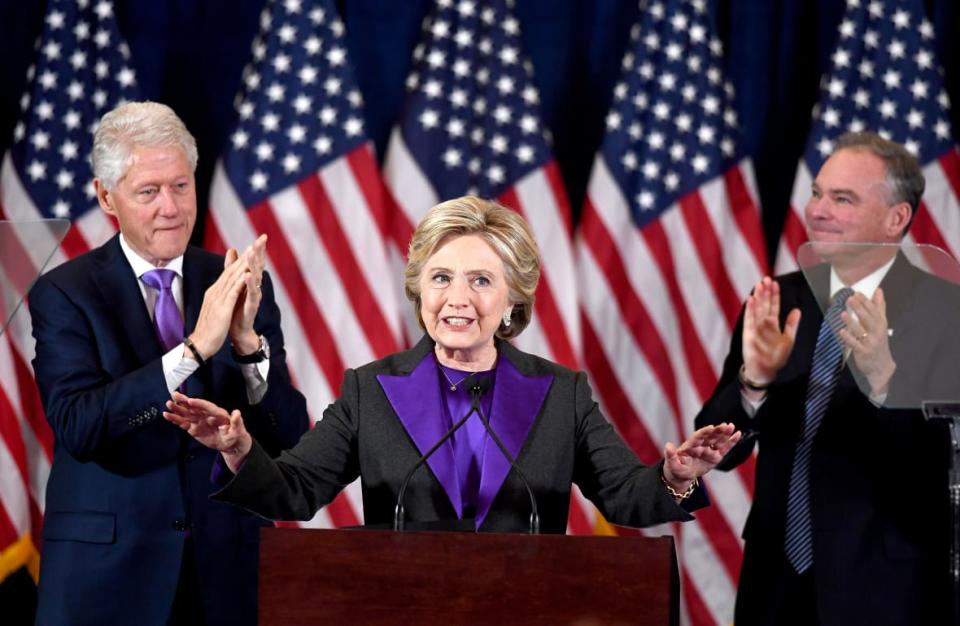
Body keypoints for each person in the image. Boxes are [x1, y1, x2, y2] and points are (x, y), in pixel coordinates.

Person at [164, 196, 739, 535]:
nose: (456, 298)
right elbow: (294, 490)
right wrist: (237, 450)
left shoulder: (560, 393)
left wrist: (676, 478)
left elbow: (624, 495)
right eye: (441, 278)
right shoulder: (372, 391)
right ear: (420, 290)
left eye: (480, 280)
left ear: (514, 299)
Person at [28, 101, 309, 626]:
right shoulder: (64, 293)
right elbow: (80, 425)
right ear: (106, 196)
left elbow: (288, 436)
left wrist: (247, 345)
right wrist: (194, 350)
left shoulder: (236, 281)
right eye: (149, 192)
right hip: (108, 576)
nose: (171, 208)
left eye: (181, 186)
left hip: (225, 572)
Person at [695, 132, 957, 626]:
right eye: (817, 193)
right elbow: (721, 452)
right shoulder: (777, 299)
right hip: (774, 584)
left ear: (896, 218)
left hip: (885, 589)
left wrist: (885, 383)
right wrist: (754, 382)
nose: (817, 210)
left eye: (842, 199)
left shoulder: (945, 312)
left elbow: (944, 468)